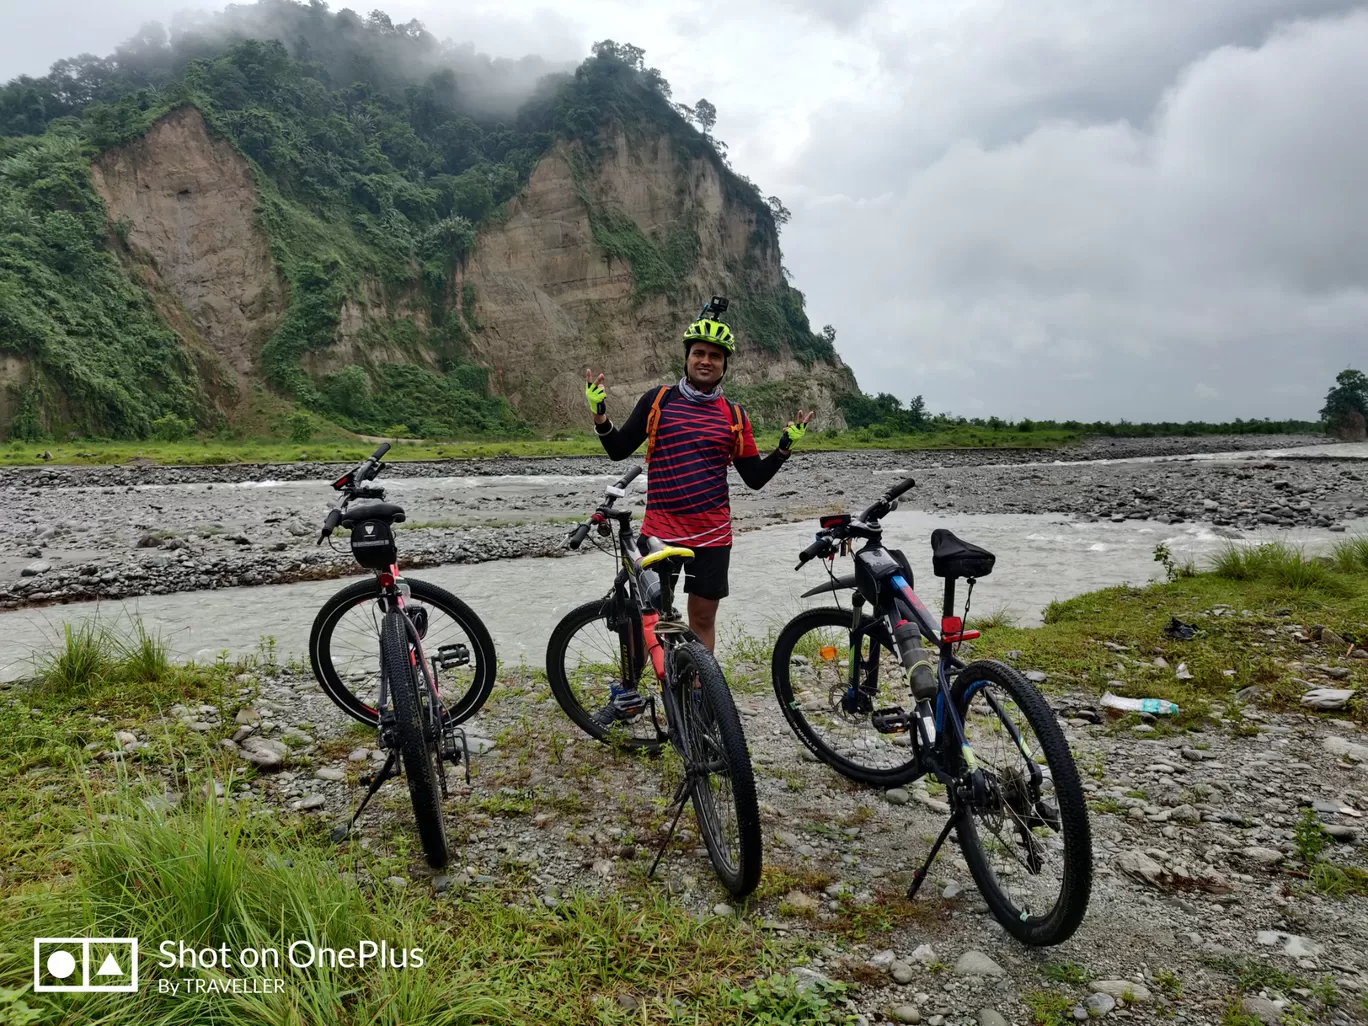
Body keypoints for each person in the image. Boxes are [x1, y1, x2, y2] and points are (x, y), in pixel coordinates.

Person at [584, 314, 813, 724]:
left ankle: (696, 694)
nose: (706, 361)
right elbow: (618, 449)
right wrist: (600, 413)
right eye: (699, 353)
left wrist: (783, 449)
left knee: (701, 619)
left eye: (714, 356)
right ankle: (629, 696)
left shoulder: (734, 416)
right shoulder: (658, 401)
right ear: (687, 358)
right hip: (659, 535)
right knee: (645, 619)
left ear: (725, 365)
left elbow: (754, 479)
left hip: (712, 535)